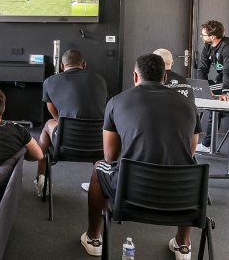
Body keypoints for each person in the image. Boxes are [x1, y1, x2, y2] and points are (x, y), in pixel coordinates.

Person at [81, 54, 201, 259]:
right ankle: (183, 243)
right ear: (165, 78)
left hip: (131, 191)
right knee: (190, 166)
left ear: (135, 77)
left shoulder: (117, 102)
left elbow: (110, 156)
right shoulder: (189, 104)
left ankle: (93, 237)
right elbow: (191, 150)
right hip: (181, 194)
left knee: (98, 167)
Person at [35, 49, 107, 197]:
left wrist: (62, 123)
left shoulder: (50, 82)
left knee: (48, 124)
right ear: (84, 64)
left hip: (65, 143)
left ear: (62, 65)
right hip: (98, 144)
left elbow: (52, 110)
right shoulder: (100, 80)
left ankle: (40, 179)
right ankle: (98, 181)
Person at [196, 20, 229, 152]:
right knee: (200, 91)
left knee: (214, 105)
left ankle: (207, 145)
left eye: (203, 35)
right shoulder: (208, 46)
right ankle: (206, 143)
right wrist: (203, 86)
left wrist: (226, 92)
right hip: (221, 79)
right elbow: (202, 69)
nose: (202, 37)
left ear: (212, 37)